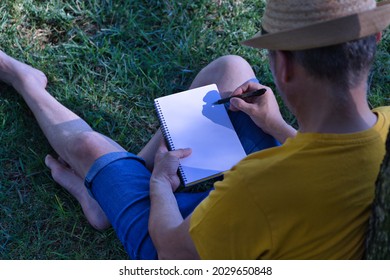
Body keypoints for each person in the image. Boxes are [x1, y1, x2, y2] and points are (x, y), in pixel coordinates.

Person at [1, 0, 389, 259]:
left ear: (284, 68)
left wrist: (157, 183)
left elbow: (171, 248)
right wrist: (277, 126)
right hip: (284, 217)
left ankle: (27, 83)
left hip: (190, 245)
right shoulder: (385, 122)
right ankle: (114, 186)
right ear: (374, 39)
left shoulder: (257, 184)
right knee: (230, 71)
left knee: (86, 145)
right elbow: (326, 160)